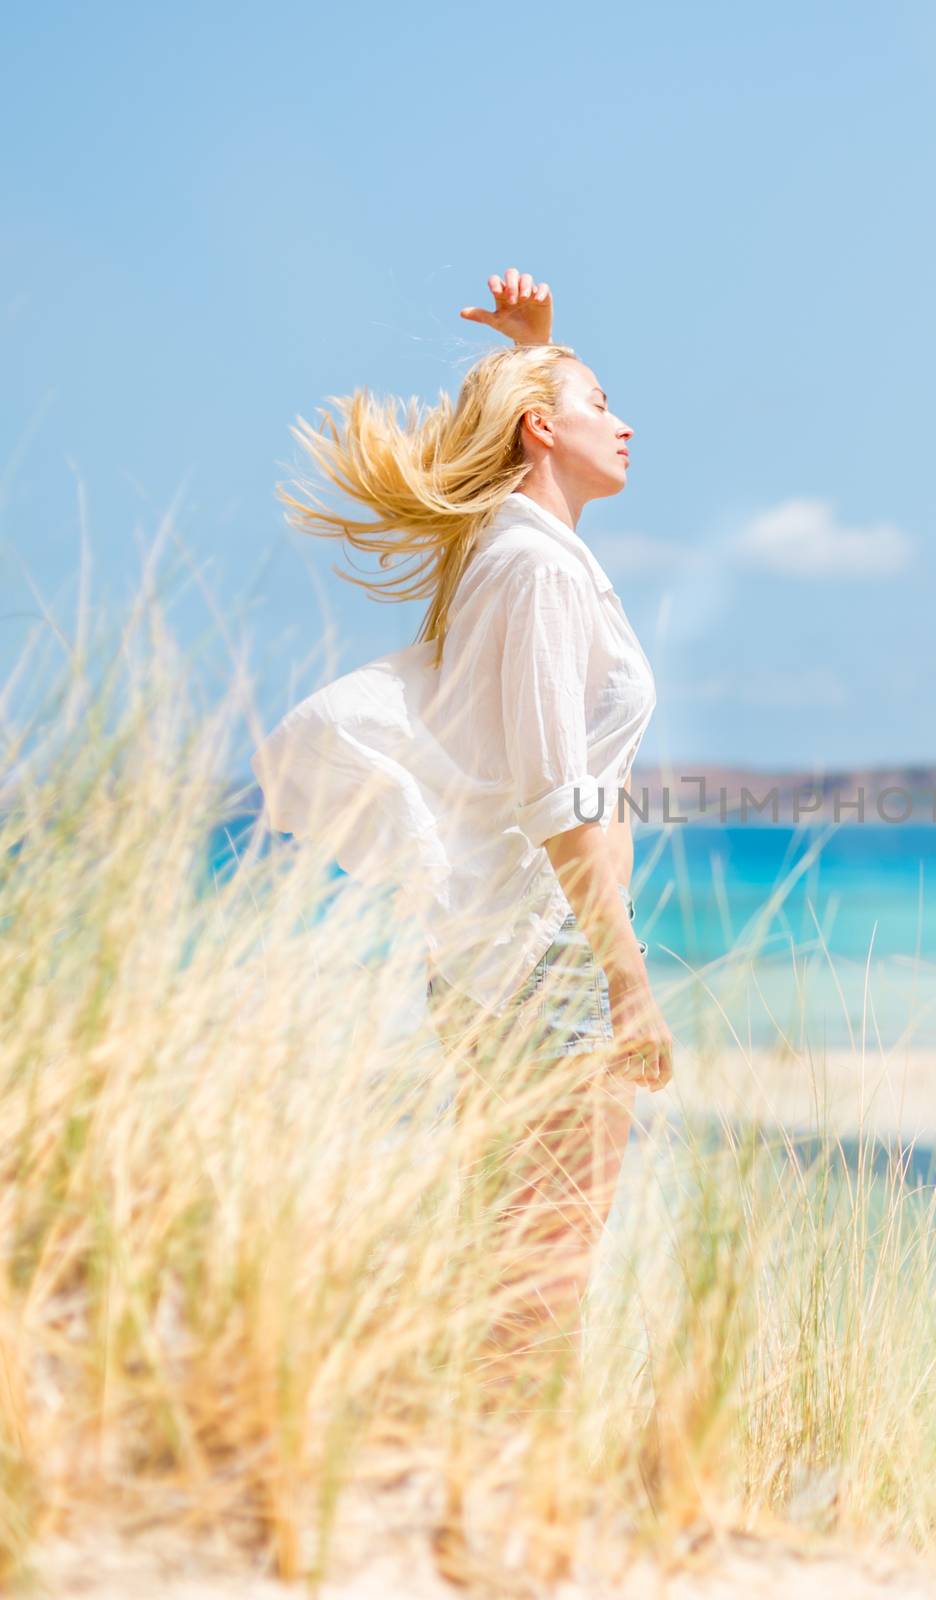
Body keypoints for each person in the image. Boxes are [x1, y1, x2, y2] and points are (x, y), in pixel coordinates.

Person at [250, 267, 675, 1367]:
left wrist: (540, 348)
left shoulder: (514, 547)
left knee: (509, 1252)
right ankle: (503, 1505)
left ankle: (468, 1477)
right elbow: (555, 795)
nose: (625, 424)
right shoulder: (533, 569)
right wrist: (628, 981)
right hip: (545, 956)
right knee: (542, 1273)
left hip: (503, 954)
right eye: (598, 405)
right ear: (543, 428)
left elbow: (535, 438)